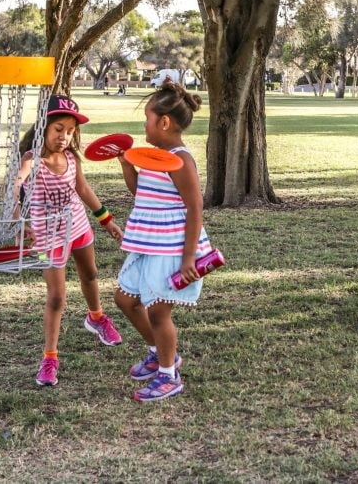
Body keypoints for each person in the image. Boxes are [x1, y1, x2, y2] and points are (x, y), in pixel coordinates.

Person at [16, 95, 125, 387]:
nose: (64, 136)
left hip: (78, 227)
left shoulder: (71, 158)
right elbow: (15, 184)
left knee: (90, 274)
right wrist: (19, 222)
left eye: (70, 131)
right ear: (43, 128)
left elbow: (84, 189)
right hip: (43, 238)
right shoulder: (31, 159)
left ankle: (96, 317)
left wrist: (107, 220)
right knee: (56, 297)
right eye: (58, 129)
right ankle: (50, 357)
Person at [114, 82, 211, 402]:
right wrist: (128, 166)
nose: (145, 124)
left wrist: (187, 260)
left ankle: (169, 375)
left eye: (148, 118)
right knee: (125, 299)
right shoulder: (155, 157)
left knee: (158, 311)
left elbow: (195, 207)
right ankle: (158, 352)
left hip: (171, 246)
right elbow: (139, 193)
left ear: (164, 123)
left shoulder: (181, 159)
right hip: (147, 241)